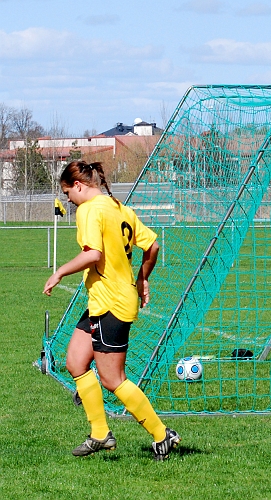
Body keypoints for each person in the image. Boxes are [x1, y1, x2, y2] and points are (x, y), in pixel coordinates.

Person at [43, 160, 181, 459]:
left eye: (68, 192)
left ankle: (162, 434)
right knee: (76, 362)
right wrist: (143, 277)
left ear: (79, 186)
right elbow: (153, 245)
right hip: (103, 299)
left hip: (112, 303)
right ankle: (100, 433)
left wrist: (59, 272)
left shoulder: (90, 210)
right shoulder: (120, 207)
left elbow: (94, 253)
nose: (68, 199)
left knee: (112, 379)